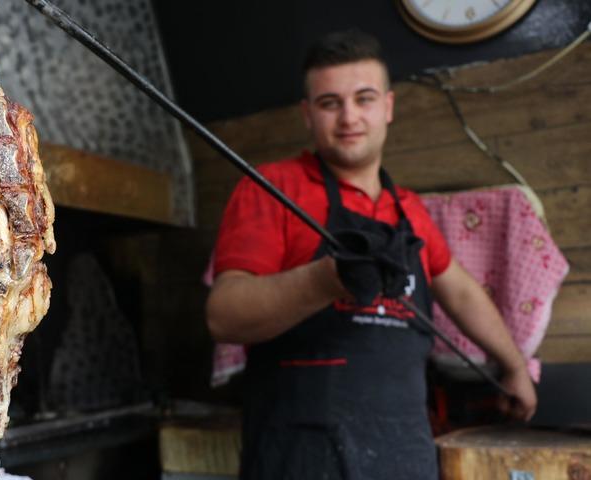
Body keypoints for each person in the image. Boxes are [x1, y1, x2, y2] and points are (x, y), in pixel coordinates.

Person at [205, 29, 537, 479]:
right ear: (308, 114)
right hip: (300, 455)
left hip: (402, 452)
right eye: (329, 103)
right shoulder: (272, 188)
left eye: (363, 98)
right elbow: (224, 315)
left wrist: (514, 366)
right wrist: (324, 280)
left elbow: (460, 293)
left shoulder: (411, 210)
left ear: (388, 106)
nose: (348, 117)